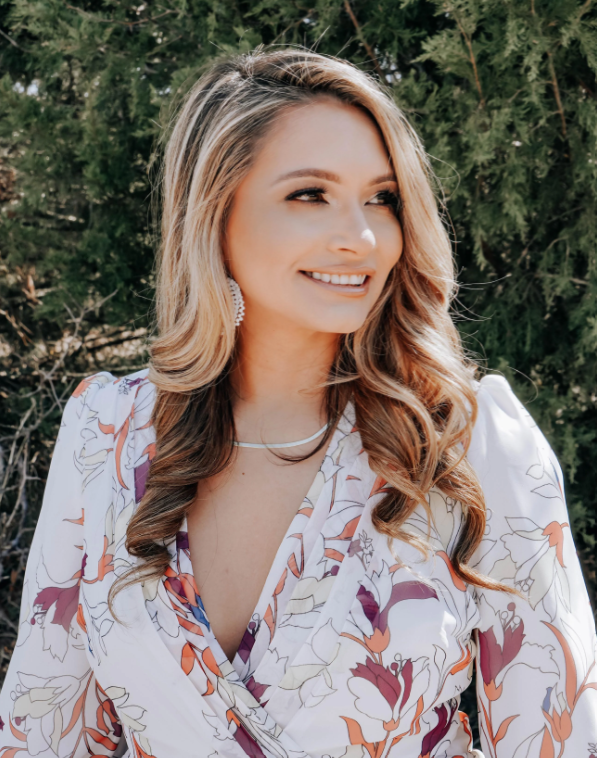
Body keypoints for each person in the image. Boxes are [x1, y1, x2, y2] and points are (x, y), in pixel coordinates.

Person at [0, 48, 595, 758]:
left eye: (382, 198)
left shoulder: (464, 442)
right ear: (213, 213)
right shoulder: (106, 431)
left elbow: (554, 739)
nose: (362, 237)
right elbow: (42, 730)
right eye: (309, 194)